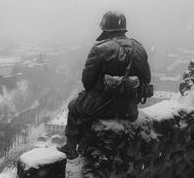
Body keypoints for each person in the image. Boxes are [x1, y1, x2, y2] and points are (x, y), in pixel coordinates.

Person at [58, 11, 152, 159]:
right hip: (130, 109)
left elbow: (87, 81)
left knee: (73, 107)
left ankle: (71, 148)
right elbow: (146, 79)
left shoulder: (100, 49)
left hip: (102, 107)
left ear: (105, 28)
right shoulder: (139, 48)